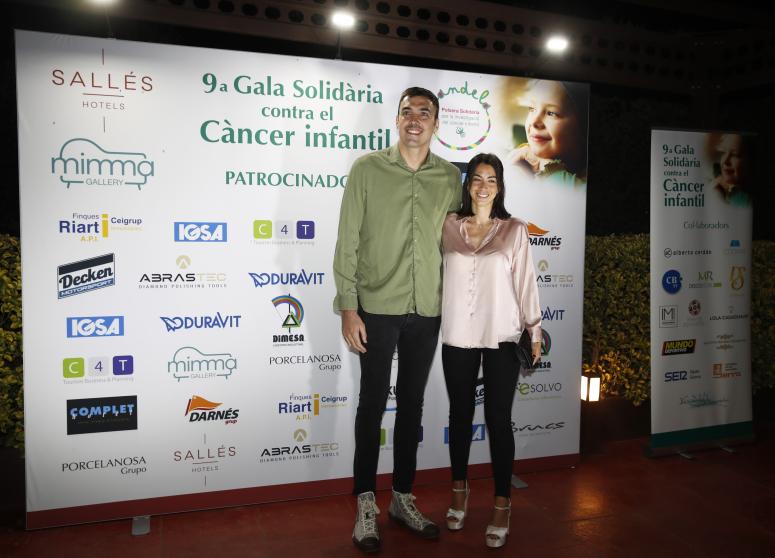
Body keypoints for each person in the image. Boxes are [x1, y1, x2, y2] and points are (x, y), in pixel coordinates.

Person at [333, 86, 462, 553]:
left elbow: (460, 243)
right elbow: (347, 238)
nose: (414, 119)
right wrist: (349, 305)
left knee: (411, 405)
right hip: (376, 306)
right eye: (407, 111)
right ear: (397, 119)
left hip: (427, 307)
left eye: (424, 113)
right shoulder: (367, 169)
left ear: (436, 123)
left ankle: (402, 497)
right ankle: (366, 501)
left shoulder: (450, 177)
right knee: (372, 404)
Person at [440, 153, 542, 548]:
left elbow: (526, 283)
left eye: (492, 179)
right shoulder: (448, 225)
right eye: (477, 178)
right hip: (458, 335)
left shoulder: (514, 230)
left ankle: (502, 504)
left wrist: (534, 330)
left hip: (501, 334)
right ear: (468, 185)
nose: (484, 185)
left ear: (500, 187)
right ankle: (459, 492)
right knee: (460, 415)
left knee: (499, 419)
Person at [507, 79, 588, 187]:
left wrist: (544, 165)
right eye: (531, 108)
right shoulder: (519, 157)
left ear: (583, 126)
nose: (534, 122)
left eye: (551, 113)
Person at [712, 133, 753, 207]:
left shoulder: (746, 201)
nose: (725, 161)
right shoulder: (719, 186)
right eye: (723, 152)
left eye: (735, 154)